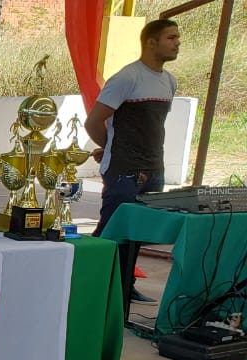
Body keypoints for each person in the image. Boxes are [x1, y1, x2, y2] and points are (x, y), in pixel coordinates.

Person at [86, 18, 180, 304]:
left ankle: (124, 287)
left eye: (177, 38)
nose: (177, 43)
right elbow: (94, 122)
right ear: (151, 42)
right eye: (171, 38)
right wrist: (111, 147)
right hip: (124, 172)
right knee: (112, 231)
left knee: (137, 232)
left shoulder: (169, 81)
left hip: (154, 169)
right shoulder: (127, 78)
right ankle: (91, 283)